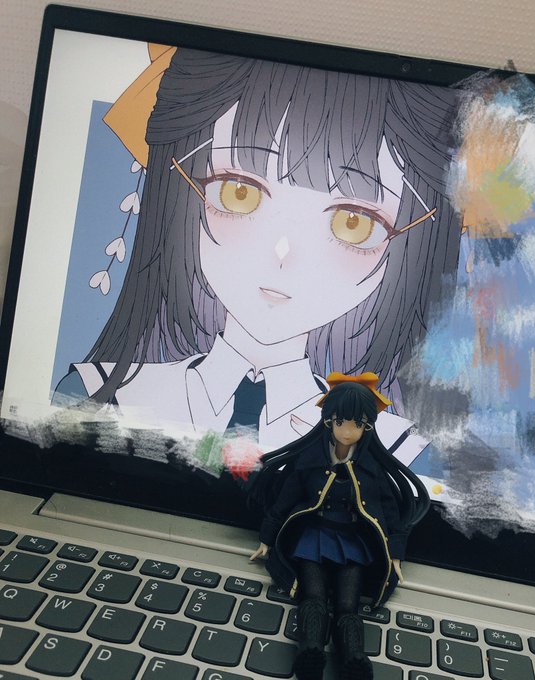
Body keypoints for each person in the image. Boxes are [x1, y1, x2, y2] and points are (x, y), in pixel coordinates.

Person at [53, 44, 460, 461]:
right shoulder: (96, 396)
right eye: (239, 193)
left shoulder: (399, 450)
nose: (283, 253)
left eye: (352, 223)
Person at [249, 373, 430, 680]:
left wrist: (395, 553)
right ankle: (310, 650)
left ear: (367, 426)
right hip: (313, 539)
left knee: (348, 605)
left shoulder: (372, 469)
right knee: (313, 596)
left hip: (352, 543)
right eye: (341, 422)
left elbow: (390, 513)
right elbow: (285, 499)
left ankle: (354, 658)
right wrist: (267, 537)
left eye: (357, 424)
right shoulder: (310, 460)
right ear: (329, 420)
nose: (347, 431)